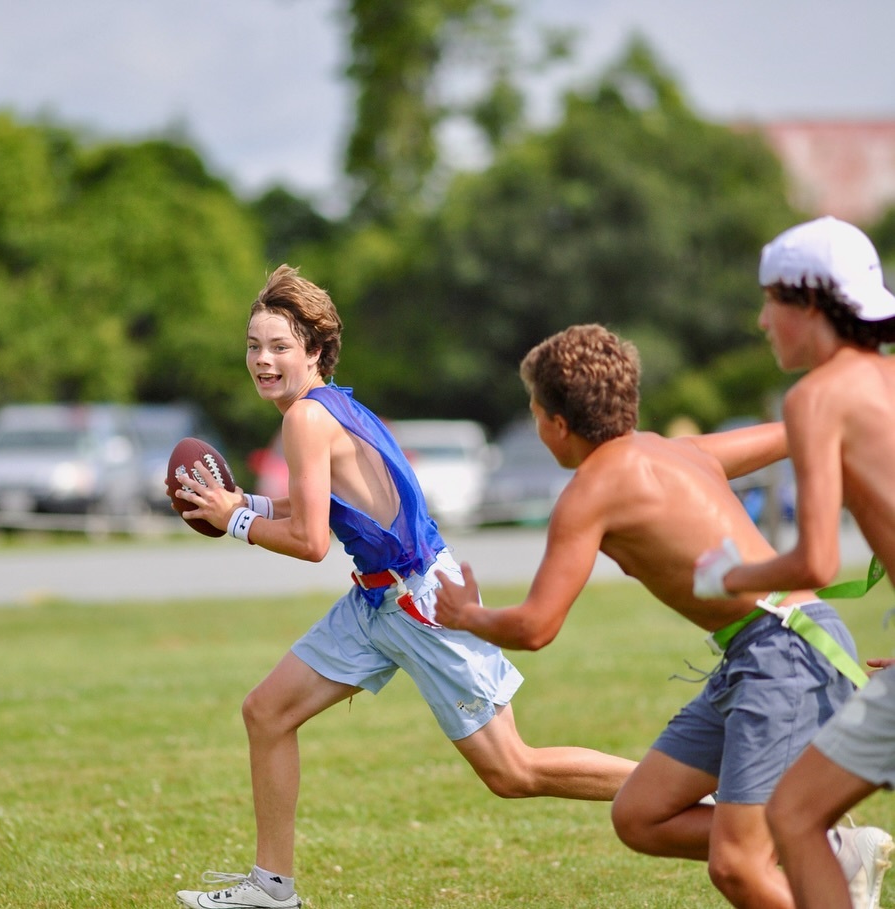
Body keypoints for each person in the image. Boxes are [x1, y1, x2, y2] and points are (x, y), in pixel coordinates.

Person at [170, 266, 636, 909]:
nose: (263, 359)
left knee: (513, 771)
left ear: (313, 350)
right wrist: (241, 500)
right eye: (254, 346)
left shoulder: (305, 419)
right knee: (267, 712)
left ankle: (682, 789)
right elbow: (323, 507)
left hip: (420, 602)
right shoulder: (330, 406)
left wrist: (236, 522)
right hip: (375, 601)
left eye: (279, 346)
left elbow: (309, 541)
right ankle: (272, 889)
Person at [433, 323, 865, 909]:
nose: (538, 428)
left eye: (536, 414)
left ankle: (814, 854)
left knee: (737, 867)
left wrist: (465, 615)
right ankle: (830, 852)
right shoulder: (675, 450)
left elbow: (536, 627)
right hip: (757, 652)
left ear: (558, 424)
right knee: (640, 815)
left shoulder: (589, 493)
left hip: (786, 650)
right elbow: (792, 434)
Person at [694, 215, 895, 909]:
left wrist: (731, 574)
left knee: (797, 816)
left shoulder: (816, 396)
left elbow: (817, 554)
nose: (761, 321)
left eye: (769, 302)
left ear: (808, 306)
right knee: (796, 813)